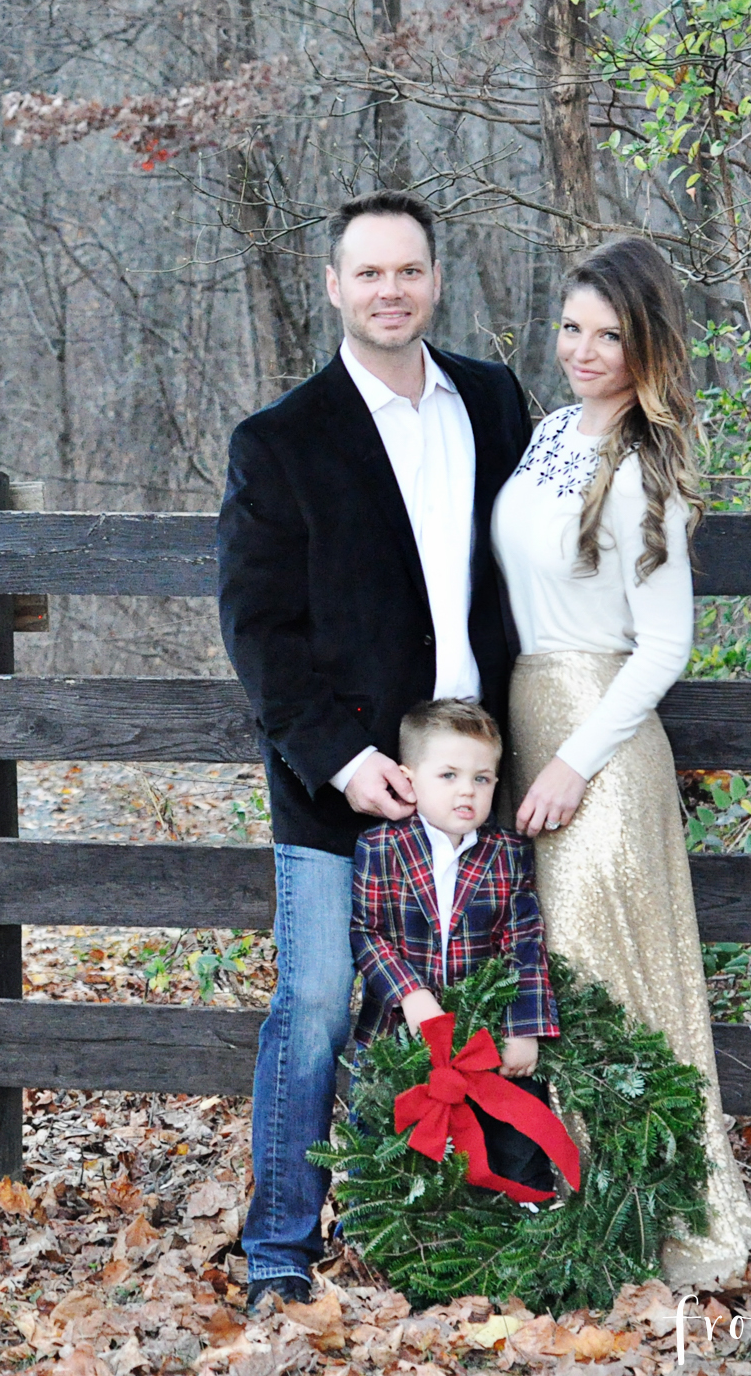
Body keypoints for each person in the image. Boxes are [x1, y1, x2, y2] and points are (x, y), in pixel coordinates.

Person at [217, 190, 533, 1313]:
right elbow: (259, 631)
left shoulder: (493, 402)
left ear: (435, 280)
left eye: (408, 271)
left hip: (471, 782)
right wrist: (344, 759)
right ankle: (279, 1252)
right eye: (369, 273)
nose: (390, 291)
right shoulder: (280, 442)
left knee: (464, 1006)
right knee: (314, 1004)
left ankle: (432, 1231)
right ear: (334, 287)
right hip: (341, 784)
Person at [490, 236, 751, 1288]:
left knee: (592, 973)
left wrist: (572, 764)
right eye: (571, 328)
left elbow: (664, 645)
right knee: (546, 976)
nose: (583, 351)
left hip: (598, 746)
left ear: (647, 345)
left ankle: (652, 1225)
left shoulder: (648, 467)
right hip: (526, 718)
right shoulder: (548, 433)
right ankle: (579, 1217)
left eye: (609, 335)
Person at [350, 698, 560, 1193]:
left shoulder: (507, 854)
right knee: (385, 1149)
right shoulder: (380, 847)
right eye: (448, 775)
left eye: (481, 779)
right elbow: (367, 931)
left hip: (483, 1039)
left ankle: (520, 1208)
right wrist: (411, 994)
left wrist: (523, 1028)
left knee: (509, 1146)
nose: (467, 789)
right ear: (409, 779)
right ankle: (372, 1216)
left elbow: (524, 943)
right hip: (396, 1036)